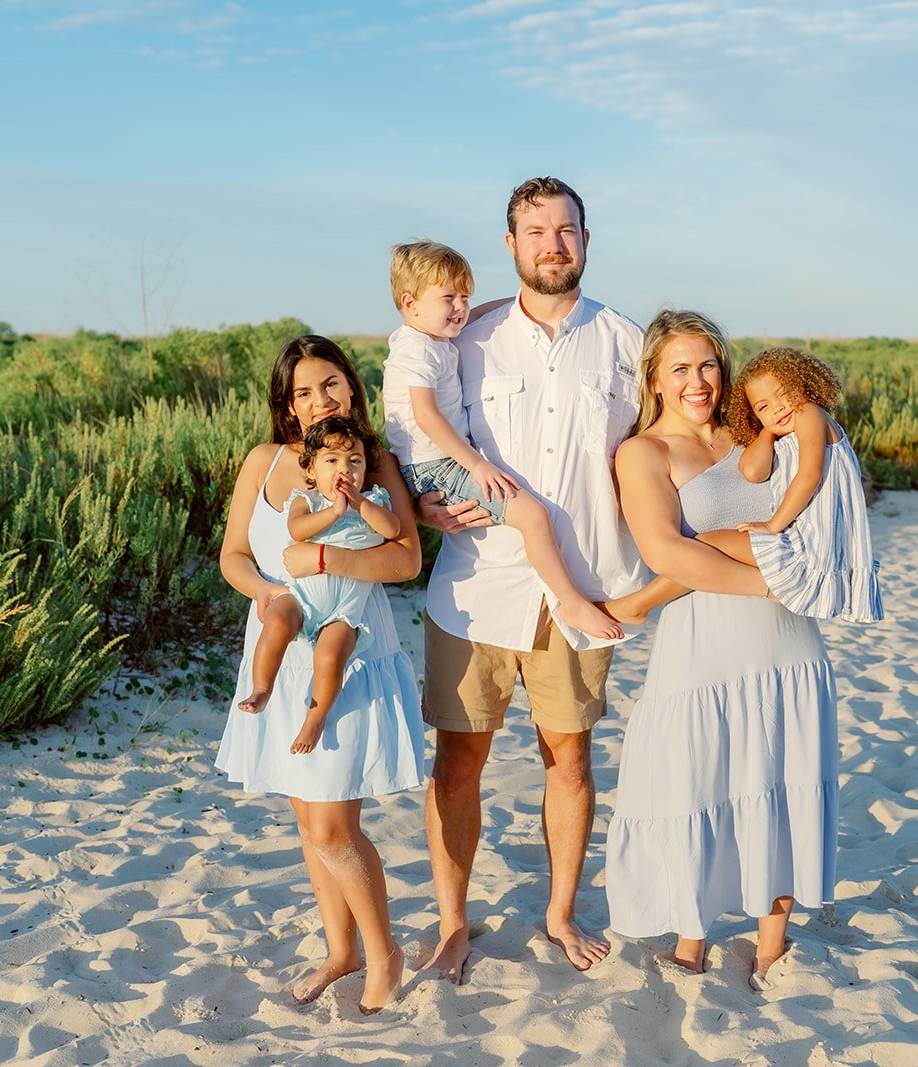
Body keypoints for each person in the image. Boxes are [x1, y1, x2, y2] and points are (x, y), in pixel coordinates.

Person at [416, 177, 649, 982]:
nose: (554, 244)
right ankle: (452, 924)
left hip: (579, 587)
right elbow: (412, 428)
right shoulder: (465, 341)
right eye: (536, 231)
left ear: (589, 240)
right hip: (476, 585)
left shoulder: (629, 344)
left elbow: (660, 454)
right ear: (510, 245)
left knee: (571, 760)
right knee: (458, 762)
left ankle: (559, 913)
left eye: (568, 230)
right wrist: (421, 501)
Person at [606, 310, 860, 992]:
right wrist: (775, 583)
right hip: (702, 646)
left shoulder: (755, 427)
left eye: (709, 364)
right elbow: (667, 550)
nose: (699, 381)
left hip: (785, 645)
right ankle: (693, 934)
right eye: (681, 368)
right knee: (699, 781)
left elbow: (819, 494)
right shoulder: (643, 452)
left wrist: (797, 579)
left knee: (778, 781)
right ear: (655, 376)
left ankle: (771, 943)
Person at [215, 335, 426, 1014]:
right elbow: (235, 554)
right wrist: (270, 592)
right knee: (309, 824)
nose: (317, 401)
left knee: (335, 825)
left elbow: (404, 560)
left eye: (330, 384)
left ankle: (383, 951)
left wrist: (326, 561)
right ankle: (342, 950)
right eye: (303, 391)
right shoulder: (265, 461)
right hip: (280, 643)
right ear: (285, 405)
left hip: (350, 644)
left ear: (353, 389)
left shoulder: (377, 462)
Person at [381, 239, 623, 641]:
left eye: (464, 296)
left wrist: (518, 303)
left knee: (531, 515)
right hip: (436, 467)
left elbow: (476, 313)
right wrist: (477, 464)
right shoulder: (415, 349)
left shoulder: (433, 337)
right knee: (532, 516)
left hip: (437, 463)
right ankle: (571, 601)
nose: (460, 307)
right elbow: (426, 416)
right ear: (411, 304)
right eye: (448, 298)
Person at [606, 346, 883, 625]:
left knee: (705, 543)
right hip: (805, 539)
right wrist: (768, 429)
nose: (778, 407)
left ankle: (638, 604)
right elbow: (752, 471)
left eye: (784, 393)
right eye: (762, 406)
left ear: (805, 385)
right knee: (704, 544)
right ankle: (636, 605)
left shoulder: (811, 414)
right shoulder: (783, 434)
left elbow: (809, 476)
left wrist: (773, 526)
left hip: (813, 542)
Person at [237, 415, 402, 755]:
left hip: (346, 608)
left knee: (331, 655)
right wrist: (334, 513)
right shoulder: (307, 501)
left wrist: (361, 505)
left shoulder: (374, 501)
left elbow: (392, 530)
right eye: (331, 461)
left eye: (354, 461)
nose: (344, 469)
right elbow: (297, 530)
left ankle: (316, 716)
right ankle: (262, 688)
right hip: (302, 596)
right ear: (311, 470)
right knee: (277, 620)